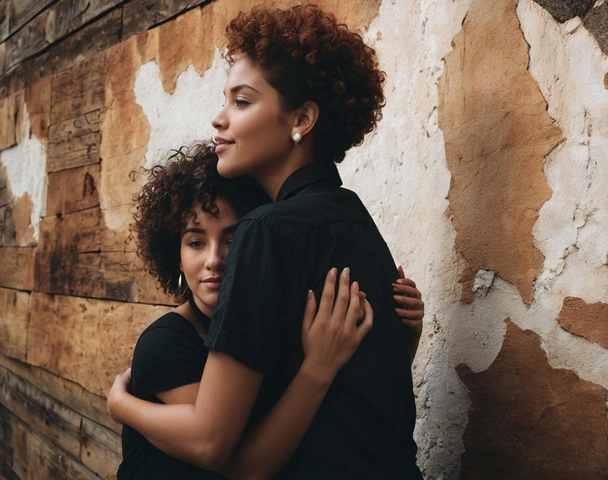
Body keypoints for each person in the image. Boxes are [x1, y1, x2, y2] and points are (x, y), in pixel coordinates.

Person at [108, 5, 425, 479]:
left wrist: (120, 403)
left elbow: (211, 442)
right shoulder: (355, 217)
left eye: (242, 101)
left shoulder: (265, 232)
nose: (219, 118)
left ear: (302, 118)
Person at [117, 143, 394, 479]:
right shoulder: (165, 344)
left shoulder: (273, 325)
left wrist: (403, 332)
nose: (214, 259)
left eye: (233, 240)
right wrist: (318, 368)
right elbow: (237, 465)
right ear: (174, 255)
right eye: (195, 242)